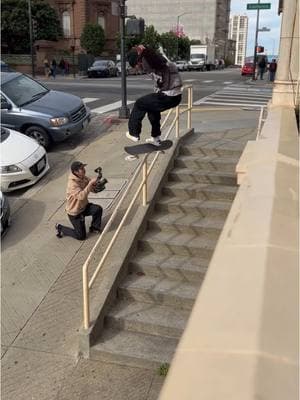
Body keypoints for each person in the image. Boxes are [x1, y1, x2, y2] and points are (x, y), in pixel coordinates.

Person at [126, 45, 182, 146]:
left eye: (136, 66)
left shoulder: (150, 60)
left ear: (138, 61)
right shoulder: (157, 61)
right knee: (152, 109)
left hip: (168, 96)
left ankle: (133, 133)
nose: (138, 69)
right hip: (174, 96)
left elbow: (153, 58)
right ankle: (156, 138)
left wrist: (144, 50)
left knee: (139, 103)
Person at [55, 161, 103, 240]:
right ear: (75, 172)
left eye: (83, 167)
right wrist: (90, 184)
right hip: (75, 213)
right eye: (81, 169)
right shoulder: (72, 184)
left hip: (84, 207)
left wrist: (97, 186)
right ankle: (60, 228)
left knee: (97, 209)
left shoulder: (83, 177)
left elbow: (91, 188)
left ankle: (94, 227)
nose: (84, 170)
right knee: (81, 236)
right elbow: (81, 196)